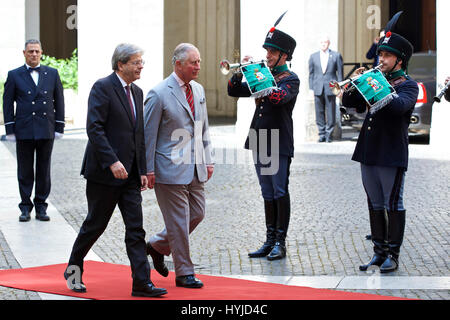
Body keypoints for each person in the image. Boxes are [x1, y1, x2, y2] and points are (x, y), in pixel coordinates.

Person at [64, 43, 167, 297]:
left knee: (136, 229)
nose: (141, 66)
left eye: (142, 62)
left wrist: (142, 169)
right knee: (94, 225)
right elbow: (94, 128)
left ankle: (141, 283)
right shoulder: (103, 87)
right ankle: (73, 271)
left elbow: (139, 134)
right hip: (104, 173)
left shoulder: (138, 92)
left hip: (131, 175)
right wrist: (112, 161)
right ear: (120, 64)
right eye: (136, 62)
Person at [341, 13, 419, 273]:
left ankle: (393, 255)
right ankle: (378, 251)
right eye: (380, 54)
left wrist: (375, 84)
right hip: (369, 150)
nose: (380, 59)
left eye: (386, 56)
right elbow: (350, 105)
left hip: (391, 152)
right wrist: (352, 88)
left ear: (399, 59)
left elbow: (398, 107)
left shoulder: (408, 85)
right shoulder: (378, 79)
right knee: (374, 202)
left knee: (392, 203)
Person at [227, 19, 299, 261]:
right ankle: (269, 240)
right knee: (266, 191)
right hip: (260, 137)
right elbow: (235, 91)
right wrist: (240, 71)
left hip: (278, 140)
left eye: (271, 52)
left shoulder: (290, 78)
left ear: (283, 55)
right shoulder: (262, 74)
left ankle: (280, 242)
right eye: (266, 51)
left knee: (279, 189)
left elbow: (279, 97)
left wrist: (259, 74)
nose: (267, 55)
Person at [144, 43, 214, 289]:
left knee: (197, 213)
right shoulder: (158, 93)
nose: (198, 66)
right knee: (178, 220)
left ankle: (156, 245)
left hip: (196, 166)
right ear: (178, 64)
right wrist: (148, 170)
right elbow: (148, 135)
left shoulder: (198, 89)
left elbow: (202, 128)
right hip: (169, 169)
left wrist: (209, 159)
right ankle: (184, 272)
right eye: (193, 62)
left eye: (199, 62)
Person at [2, 39, 65, 222]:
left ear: (41, 52)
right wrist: (10, 129)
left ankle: (41, 206)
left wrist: (59, 126)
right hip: (24, 129)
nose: (34, 54)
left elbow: (59, 101)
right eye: (30, 51)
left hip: (46, 128)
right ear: (24, 53)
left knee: (44, 170)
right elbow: (7, 104)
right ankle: (25, 207)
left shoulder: (52, 73)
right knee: (25, 170)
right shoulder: (14, 75)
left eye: (37, 51)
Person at [308, 36, 343, 143]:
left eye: (325, 42)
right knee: (319, 112)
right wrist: (311, 89)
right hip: (317, 86)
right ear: (319, 44)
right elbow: (311, 74)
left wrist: (340, 88)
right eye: (322, 42)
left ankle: (329, 134)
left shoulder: (336, 55)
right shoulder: (313, 56)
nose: (324, 44)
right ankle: (321, 134)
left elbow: (340, 73)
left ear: (329, 43)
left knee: (331, 111)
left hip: (331, 87)